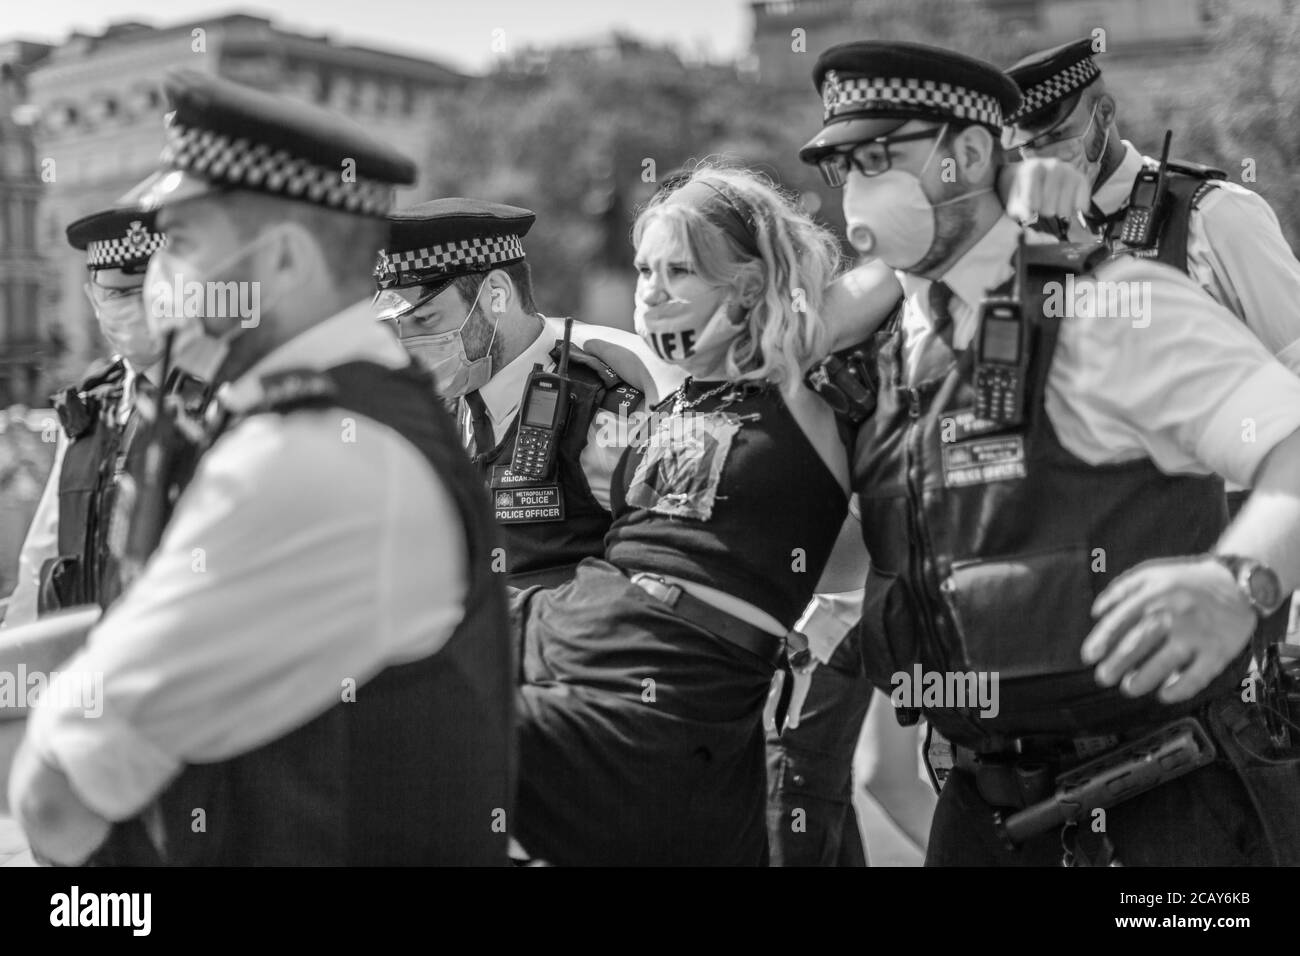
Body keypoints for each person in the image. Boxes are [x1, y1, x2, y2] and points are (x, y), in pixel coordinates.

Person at [798, 39, 1300, 866]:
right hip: (984, 808)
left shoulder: (1108, 303)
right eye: (842, 167)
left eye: (881, 158)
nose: (858, 188)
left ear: (967, 156)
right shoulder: (892, 357)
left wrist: (1235, 582)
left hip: (1163, 804)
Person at [2, 69, 512, 866]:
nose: (158, 272)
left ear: (275, 261)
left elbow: (57, 796)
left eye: (179, 241)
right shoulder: (351, 403)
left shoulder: (308, 455)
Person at [513, 165, 865, 865]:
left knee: (390, 727)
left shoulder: (796, 378)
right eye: (646, 269)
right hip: (564, 625)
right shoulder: (676, 393)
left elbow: (887, 277)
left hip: (661, 691)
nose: (652, 290)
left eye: (679, 270)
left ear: (746, 284)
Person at [1006, 38, 1300, 641]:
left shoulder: (1216, 215)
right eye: (1025, 150)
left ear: (1103, 116)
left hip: (1230, 534)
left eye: (1053, 140)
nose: (1040, 161)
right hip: (1108, 552)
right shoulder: (1034, 248)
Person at [373, 198, 682, 588]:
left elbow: (668, 574)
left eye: (426, 318)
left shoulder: (606, 415)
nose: (408, 344)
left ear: (497, 294)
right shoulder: (439, 416)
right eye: (398, 326)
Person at [3, 208, 197, 627]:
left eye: (148, 291)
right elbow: (42, 554)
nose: (136, 307)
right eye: (118, 294)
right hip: (83, 664)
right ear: (93, 297)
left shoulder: (217, 397)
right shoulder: (88, 408)